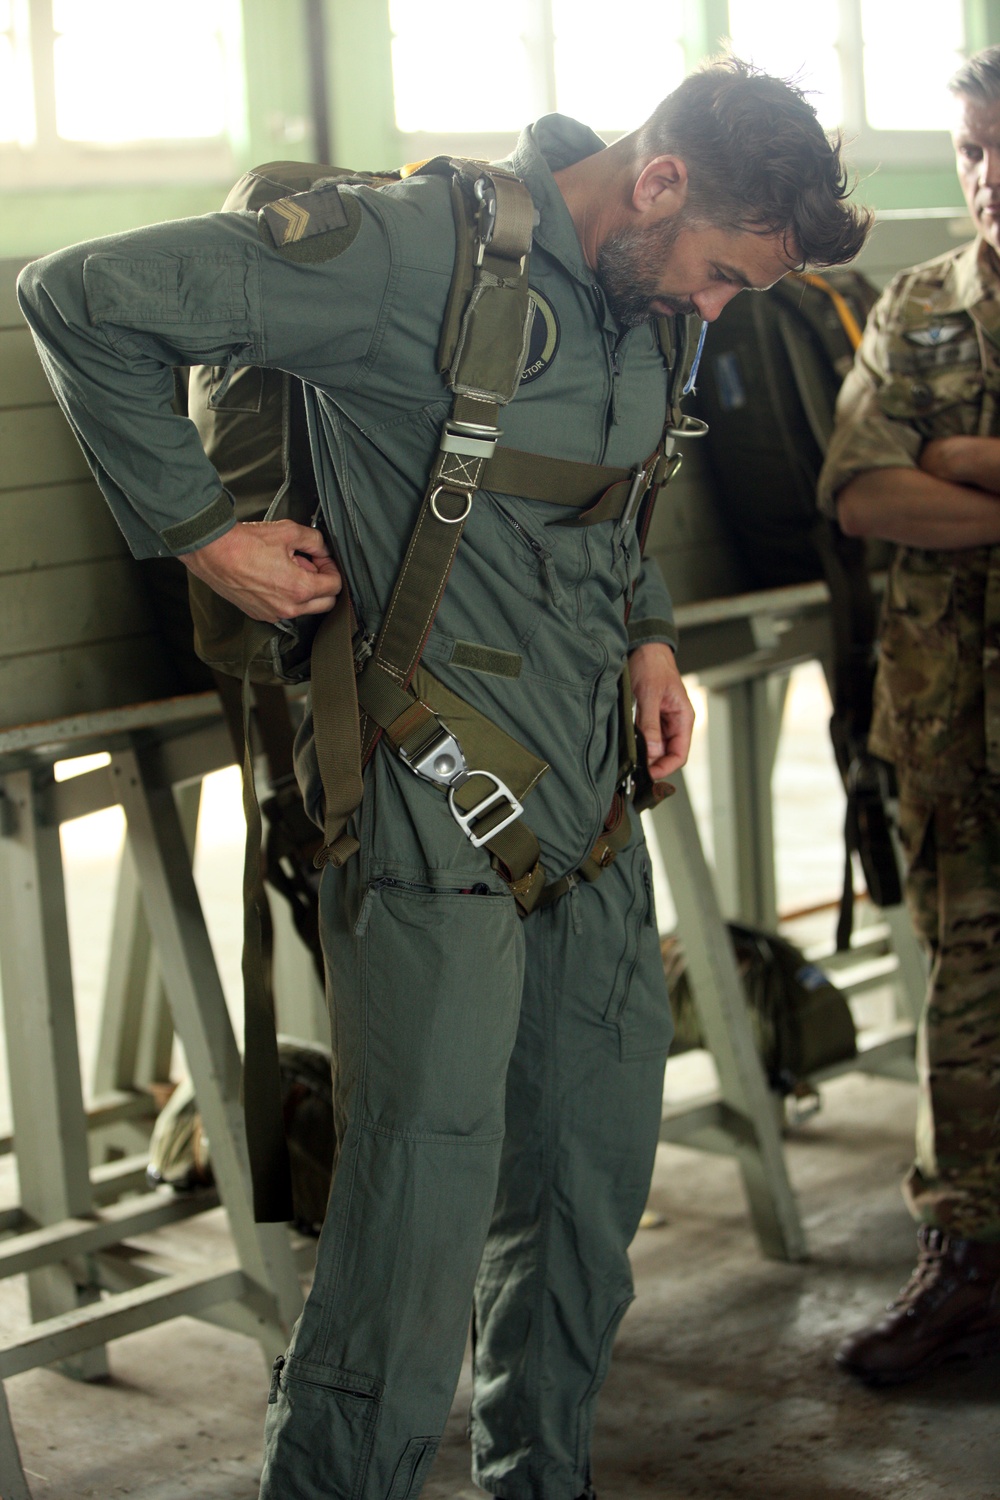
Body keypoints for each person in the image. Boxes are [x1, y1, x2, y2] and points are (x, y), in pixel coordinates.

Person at [19, 56, 868, 1500]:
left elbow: (612, 506)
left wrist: (652, 641)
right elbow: (76, 295)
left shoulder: (647, 301)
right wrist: (202, 531)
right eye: (722, 275)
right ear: (657, 182)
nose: (716, 311)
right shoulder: (411, 255)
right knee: (410, 1240)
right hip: (431, 816)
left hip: (595, 812)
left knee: (582, 1214)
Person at [819, 45, 1000, 1388]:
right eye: (973, 150)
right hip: (951, 726)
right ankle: (970, 1261)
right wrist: (928, 466)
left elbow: (922, 470)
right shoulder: (923, 308)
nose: (990, 179)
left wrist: (965, 462)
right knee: (966, 998)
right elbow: (867, 492)